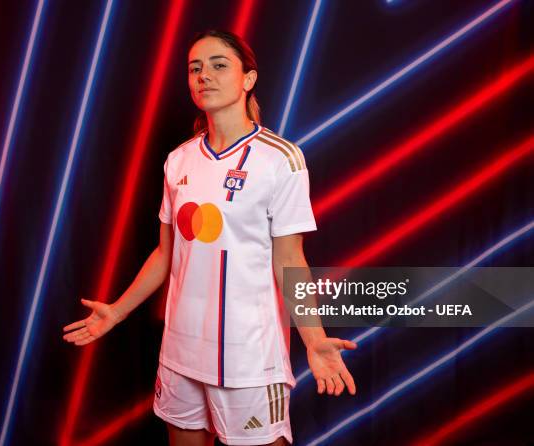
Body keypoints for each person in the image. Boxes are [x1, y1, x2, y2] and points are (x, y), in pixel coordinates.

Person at [63, 29, 357, 446]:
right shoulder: (178, 159)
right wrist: (117, 311)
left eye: (219, 65)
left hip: (249, 359)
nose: (205, 76)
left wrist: (313, 339)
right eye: (195, 68)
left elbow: (289, 259)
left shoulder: (281, 159)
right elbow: (166, 254)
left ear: (247, 78)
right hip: (180, 354)